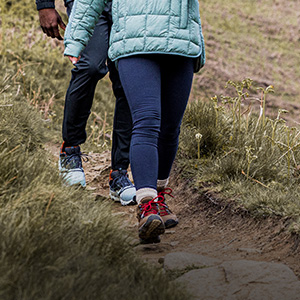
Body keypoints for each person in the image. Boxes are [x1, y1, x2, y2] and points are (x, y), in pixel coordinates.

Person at [64, 0, 205, 242]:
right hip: (134, 39)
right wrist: (76, 39)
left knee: (170, 129)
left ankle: (159, 197)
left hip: (180, 42)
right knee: (147, 121)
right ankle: (147, 205)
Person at [35, 0, 137, 205]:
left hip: (130, 7)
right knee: (90, 66)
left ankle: (119, 174)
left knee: (128, 79)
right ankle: (70, 151)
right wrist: (44, 5)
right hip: (87, 2)